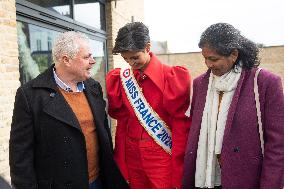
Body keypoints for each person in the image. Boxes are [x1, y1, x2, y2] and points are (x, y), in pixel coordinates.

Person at [9, 31, 129, 189]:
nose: (93, 61)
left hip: (98, 181)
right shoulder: (30, 95)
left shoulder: (93, 87)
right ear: (66, 60)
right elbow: (20, 156)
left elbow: (103, 135)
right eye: (86, 57)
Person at [182, 23, 284, 189]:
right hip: (208, 179)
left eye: (213, 59)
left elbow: (278, 144)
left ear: (234, 54)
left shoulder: (265, 83)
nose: (208, 64)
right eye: (205, 58)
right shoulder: (200, 84)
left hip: (248, 180)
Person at [106, 22, 191, 189]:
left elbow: (181, 127)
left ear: (147, 47)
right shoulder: (122, 78)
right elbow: (122, 124)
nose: (130, 63)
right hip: (132, 156)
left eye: (135, 57)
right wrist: (121, 162)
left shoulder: (172, 77)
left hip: (162, 154)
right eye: (126, 58)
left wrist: (179, 168)